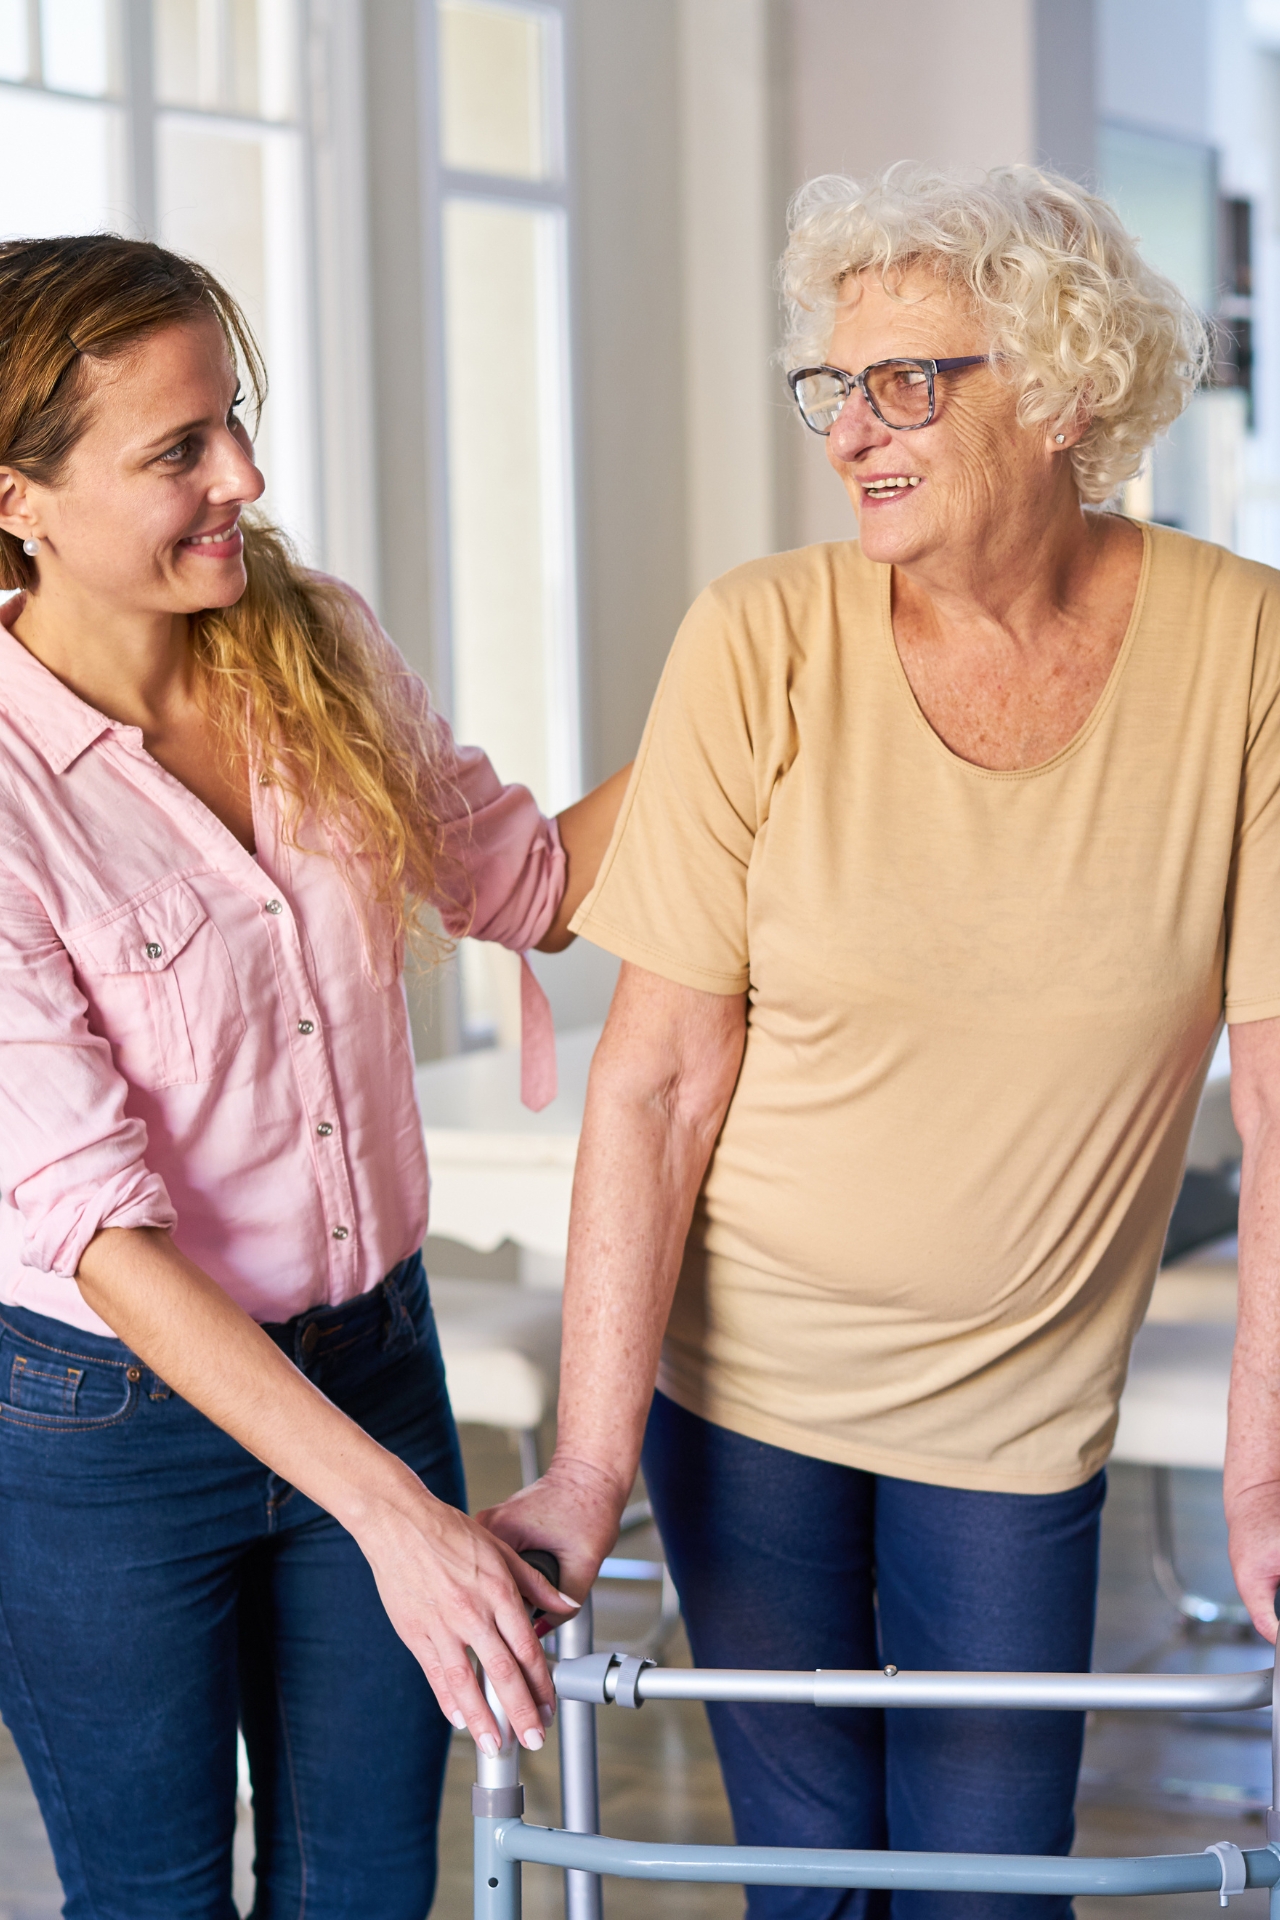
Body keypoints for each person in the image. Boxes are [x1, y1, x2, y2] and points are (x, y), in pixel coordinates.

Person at [485, 163, 1280, 1919]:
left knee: (991, 1888)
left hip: (1019, 1408)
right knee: (810, 1880)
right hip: (741, 1383)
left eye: (910, 381)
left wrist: (1267, 1469)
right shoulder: (762, 637)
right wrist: (588, 1468)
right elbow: (659, 1077)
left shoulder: (1246, 652)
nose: (852, 432)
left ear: (1066, 394)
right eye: (833, 388)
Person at [0, 234, 628, 1920]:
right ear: (19, 496)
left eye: (237, 422)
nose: (246, 479)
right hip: (101, 1426)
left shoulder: (316, 638)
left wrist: (766, 685)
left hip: (374, 1345)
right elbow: (94, 1227)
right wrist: (402, 1521)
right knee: (153, 1900)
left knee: (364, 1887)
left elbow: (527, 885)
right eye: (178, 450)